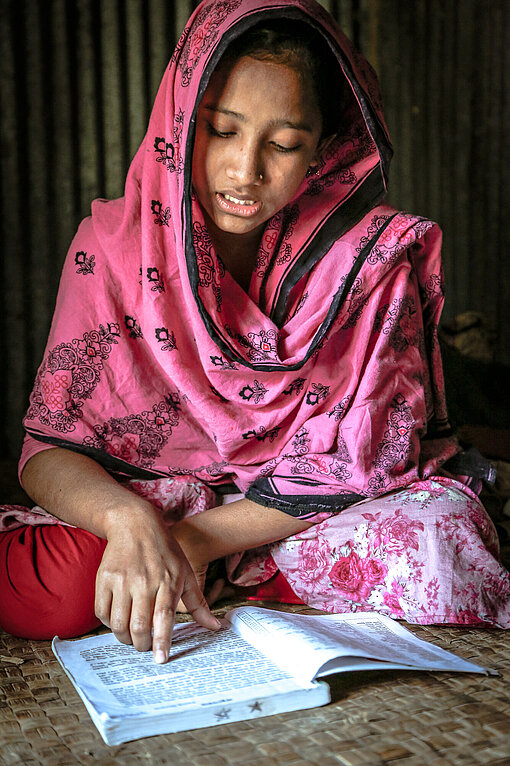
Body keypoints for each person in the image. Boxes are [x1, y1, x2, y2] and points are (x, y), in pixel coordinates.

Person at [1, 0, 508, 661]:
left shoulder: (370, 260)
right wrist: (127, 521)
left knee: (439, 544)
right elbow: (47, 450)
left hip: (297, 508)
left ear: (326, 146)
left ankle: (209, 571)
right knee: (53, 588)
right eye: (221, 131)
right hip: (164, 494)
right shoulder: (113, 248)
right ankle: (245, 577)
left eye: (284, 144)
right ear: (180, 126)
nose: (245, 172)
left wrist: (195, 542)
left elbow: (365, 459)